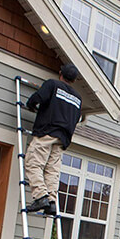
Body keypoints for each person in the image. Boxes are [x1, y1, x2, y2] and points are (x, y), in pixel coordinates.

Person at [24, 63, 82, 215]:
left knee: (33, 163)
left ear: (60, 73)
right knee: (51, 170)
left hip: (47, 132)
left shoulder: (53, 85)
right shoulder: (78, 98)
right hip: (63, 139)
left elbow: (38, 98)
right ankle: (51, 202)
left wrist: (30, 105)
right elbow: (76, 119)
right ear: (74, 80)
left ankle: (40, 196)